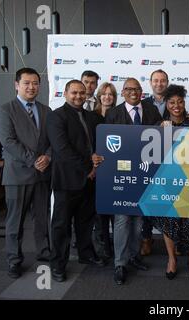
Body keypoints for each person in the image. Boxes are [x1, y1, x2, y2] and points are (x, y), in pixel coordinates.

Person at [103, 78, 162, 285]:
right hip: (121, 176)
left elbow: (159, 140)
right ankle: (120, 263)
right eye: (128, 89)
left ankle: (134, 256)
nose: (133, 92)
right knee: (122, 220)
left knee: (138, 221)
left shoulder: (152, 110)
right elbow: (106, 147)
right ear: (123, 92)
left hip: (145, 175)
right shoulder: (112, 114)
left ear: (141, 91)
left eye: (136, 89)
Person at [0, 67, 52, 279]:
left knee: (41, 218)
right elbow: (8, 142)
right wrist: (33, 160)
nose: (31, 87)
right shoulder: (5, 110)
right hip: (17, 175)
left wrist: (47, 157)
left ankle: (44, 251)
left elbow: (51, 140)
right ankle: (14, 259)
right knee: (15, 221)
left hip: (42, 174)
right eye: (27, 83)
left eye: (35, 83)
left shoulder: (46, 110)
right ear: (16, 85)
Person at [46, 80, 105, 282]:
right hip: (66, 181)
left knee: (85, 221)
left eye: (82, 93)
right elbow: (62, 150)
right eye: (74, 93)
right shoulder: (55, 116)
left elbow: (100, 144)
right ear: (65, 93)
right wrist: (89, 167)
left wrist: (96, 166)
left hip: (89, 181)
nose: (79, 96)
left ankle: (86, 254)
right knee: (61, 226)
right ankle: (58, 265)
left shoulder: (92, 117)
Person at [150, 84, 189, 281]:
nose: (176, 106)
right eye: (172, 102)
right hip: (168, 182)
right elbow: (154, 157)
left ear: (184, 103)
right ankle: (171, 259)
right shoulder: (159, 126)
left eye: (180, 102)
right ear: (166, 104)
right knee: (169, 220)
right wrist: (162, 133)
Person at [140, 69, 169, 256]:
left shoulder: (175, 102)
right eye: (155, 80)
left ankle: (173, 240)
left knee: (169, 199)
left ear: (167, 82)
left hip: (169, 159)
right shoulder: (141, 104)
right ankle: (146, 238)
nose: (159, 83)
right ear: (150, 83)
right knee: (146, 200)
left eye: (162, 80)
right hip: (147, 158)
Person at [92, 82, 118, 259]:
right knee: (100, 213)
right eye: (104, 93)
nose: (107, 97)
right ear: (99, 96)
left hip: (116, 171)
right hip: (96, 170)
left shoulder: (119, 114)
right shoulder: (90, 116)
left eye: (111, 94)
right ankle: (103, 249)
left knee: (116, 214)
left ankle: (118, 249)